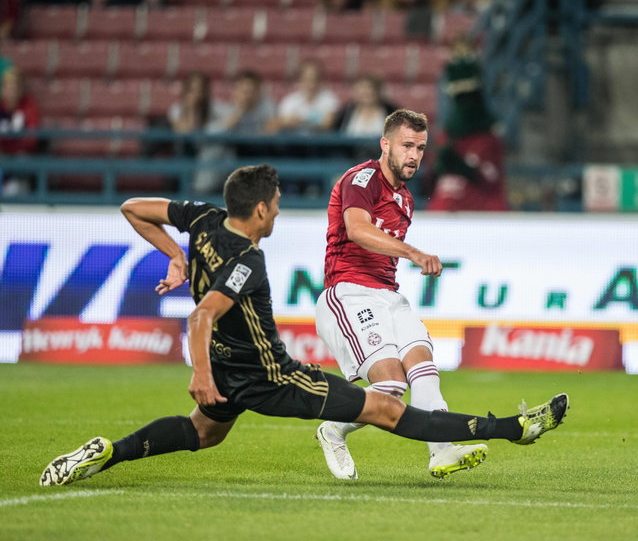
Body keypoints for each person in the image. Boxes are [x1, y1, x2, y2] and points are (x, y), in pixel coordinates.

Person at [39, 163, 569, 487]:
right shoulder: (249, 260)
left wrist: (176, 258)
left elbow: (134, 208)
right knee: (389, 408)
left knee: (202, 433)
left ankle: (108, 453)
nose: (277, 216)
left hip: (226, 369)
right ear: (262, 210)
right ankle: (511, 429)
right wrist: (198, 373)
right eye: (276, 208)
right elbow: (202, 315)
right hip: (270, 376)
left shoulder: (199, 216)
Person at [313, 109, 491, 481]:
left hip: (389, 297)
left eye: (421, 148)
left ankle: (441, 452)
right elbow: (357, 229)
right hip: (350, 292)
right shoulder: (362, 179)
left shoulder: (405, 199)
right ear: (386, 144)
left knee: (424, 369)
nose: (414, 155)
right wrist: (413, 252)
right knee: (391, 386)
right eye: (406, 145)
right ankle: (333, 429)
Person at [426, 43, 508, 211]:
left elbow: (490, 179)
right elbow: (432, 177)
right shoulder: (446, 137)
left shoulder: (488, 140)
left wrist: (461, 166)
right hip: (445, 207)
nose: (464, 104)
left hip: (480, 210)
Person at [267, 59, 339, 134]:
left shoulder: (330, 99)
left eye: (314, 79)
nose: (310, 84)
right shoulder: (290, 100)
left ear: (320, 80)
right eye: (306, 79)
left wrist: (299, 121)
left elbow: (327, 123)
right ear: (299, 80)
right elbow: (276, 124)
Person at [0, 67, 41, 196]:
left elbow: (31, 138)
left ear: (20, 89)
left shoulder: (29, 106)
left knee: (22, 163)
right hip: (2, 154)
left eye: (15, 86)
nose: (11, 90)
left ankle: (18, 203)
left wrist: (12, 147)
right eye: (8, 86)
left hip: (20, 155)